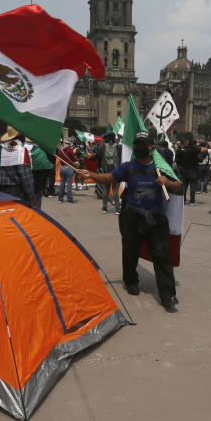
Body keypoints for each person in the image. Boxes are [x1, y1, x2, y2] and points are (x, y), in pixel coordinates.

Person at [79, 131, 183, 310]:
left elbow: (179, 185)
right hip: (132, 217)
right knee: (129, 251)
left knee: (161, 256)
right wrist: (89, 174)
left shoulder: (162, 167)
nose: (138, 147)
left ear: (151, 148)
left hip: (156, 217)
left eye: (142, 145)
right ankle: (131, 281)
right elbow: (108, 177)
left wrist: (167, 182)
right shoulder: (127, 167)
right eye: (136, 144)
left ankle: (168, 295)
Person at [0, 127, 36, 205]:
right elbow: (26, 178)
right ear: (21, 137)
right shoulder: (22, 151)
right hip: (16, 192)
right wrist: (31, 197)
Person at [95, 132, 122, 214]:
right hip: (116, 172)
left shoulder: (103, 146)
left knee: (106, 190)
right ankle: (117, 209)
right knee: (115, 190)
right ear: (114, 138)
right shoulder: (118, 147)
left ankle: (104, 208)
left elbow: (98, 157)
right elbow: (121, 158)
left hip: (106, 172)